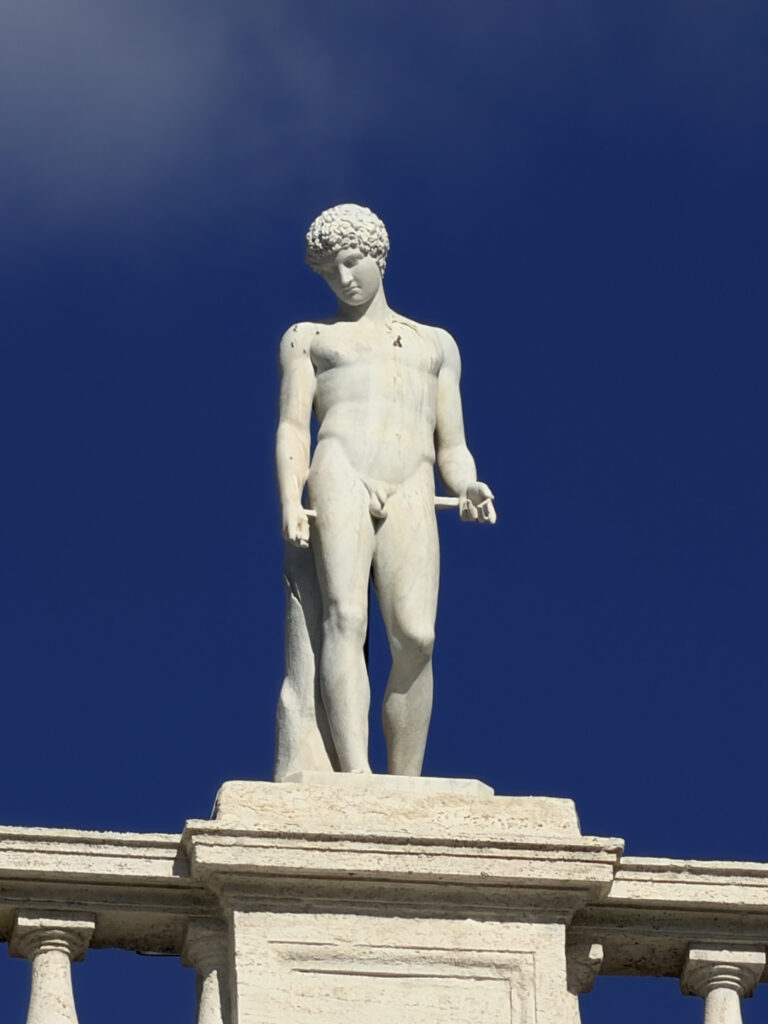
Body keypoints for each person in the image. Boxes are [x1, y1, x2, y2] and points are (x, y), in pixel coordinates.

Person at [275, 203, 495, 778]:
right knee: (345, 618)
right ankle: (355, 776)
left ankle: (404, 782)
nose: (342, 279)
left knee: (416, 637)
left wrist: (468, 483)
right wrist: (290, 501)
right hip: (340, 467)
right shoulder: (309, 338)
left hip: (412, 481)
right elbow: (295, 426)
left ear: (377, 256)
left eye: (350, 263)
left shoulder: (435, 344)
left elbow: (452, 443)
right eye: (328, 271)